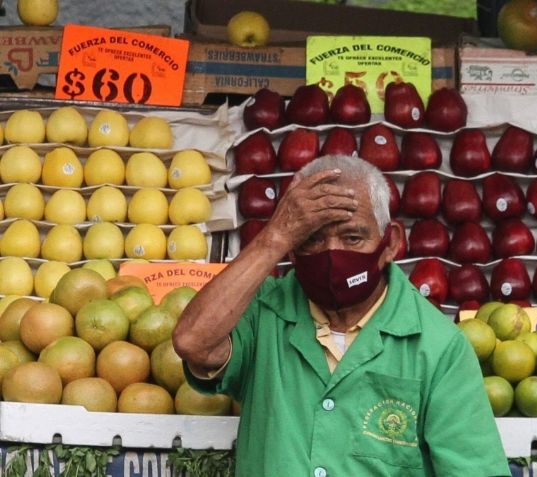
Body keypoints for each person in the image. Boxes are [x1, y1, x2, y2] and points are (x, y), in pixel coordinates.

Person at [173, 155, 510, 476]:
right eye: (312, 239)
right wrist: (275, 236)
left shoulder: (439, 347)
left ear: (390, 244)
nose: (332, 253)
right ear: (292, 248)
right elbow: (193, 342)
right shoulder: (263, 314)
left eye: (352, 237)